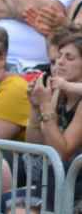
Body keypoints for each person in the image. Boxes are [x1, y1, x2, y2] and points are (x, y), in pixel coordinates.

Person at [26, 30, 82, 164]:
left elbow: (62, 154)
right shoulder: (56, 94)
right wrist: (35, 107)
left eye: (69, 58)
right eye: (58, 57)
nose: (59, 62)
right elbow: (34, 148)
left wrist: (45, 106)